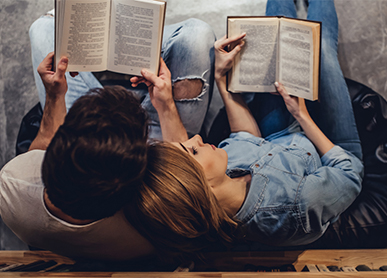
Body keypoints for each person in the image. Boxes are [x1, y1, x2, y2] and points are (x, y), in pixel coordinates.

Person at [123, 0, 364, 261]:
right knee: (323, 50)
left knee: (277, 38)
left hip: (279, 139)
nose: (196, 138)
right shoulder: (294, 207)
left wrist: (220, 78)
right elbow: (349, 174)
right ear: (202, 188)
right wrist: (301, 115)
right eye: (193, 150)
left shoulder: (218, 187)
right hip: (333, 155)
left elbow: (247, 139)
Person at [0, 9, 216, 260]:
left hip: (103, 156)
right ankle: (123, 36)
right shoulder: (152, 224)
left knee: (45, 27)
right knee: (197, 34)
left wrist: (55, 96)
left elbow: (40, 149)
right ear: (141, 179)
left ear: (54, 158)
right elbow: (181, 167)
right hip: (161, 142)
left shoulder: (12, 190)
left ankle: (108, 37)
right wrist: (164, 104)